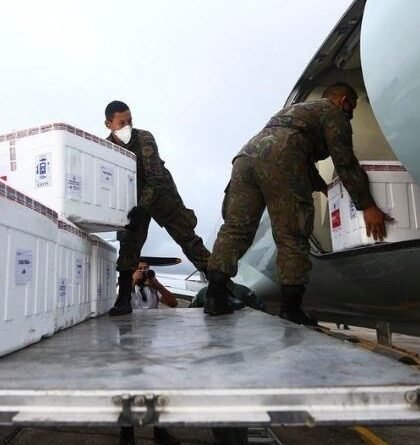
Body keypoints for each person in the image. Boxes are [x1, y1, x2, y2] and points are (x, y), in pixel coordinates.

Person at [204, 83, 392, 323]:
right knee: (292, 234)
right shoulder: (333, 113)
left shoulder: (297, 112)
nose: (351, 115)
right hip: (282, 158)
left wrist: (323, 188)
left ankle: (215, 297)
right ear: (343, 101)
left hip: (245, 159)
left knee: (236, 229)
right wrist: (367, 205)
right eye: (352, 108)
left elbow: (295, 151)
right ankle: (291, 310)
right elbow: (344, 162)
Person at [105, 100, 210, 316]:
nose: (127, 126)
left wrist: (142, 207)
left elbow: (155, 177)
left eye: (130, 120)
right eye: (121, 123)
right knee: (128, 245)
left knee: (189, 240)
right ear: (109, 124)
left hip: (162, 195)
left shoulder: (144, 138)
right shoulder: (105, 148)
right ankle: (123, 299)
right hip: (134, 201)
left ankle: (222, 288)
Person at [119, 260, 181, 445]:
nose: (143, 272)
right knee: (128, 389)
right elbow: (117, 303)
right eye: (140, 269)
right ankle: (127, 434)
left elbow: (173, 303)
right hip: (129, 344)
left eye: (146, 269)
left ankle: (159, 431)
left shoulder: (153, 288)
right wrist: (131, 282)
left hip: (151, 344)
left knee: (156, 388)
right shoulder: (126, 289)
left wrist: (157, 285)